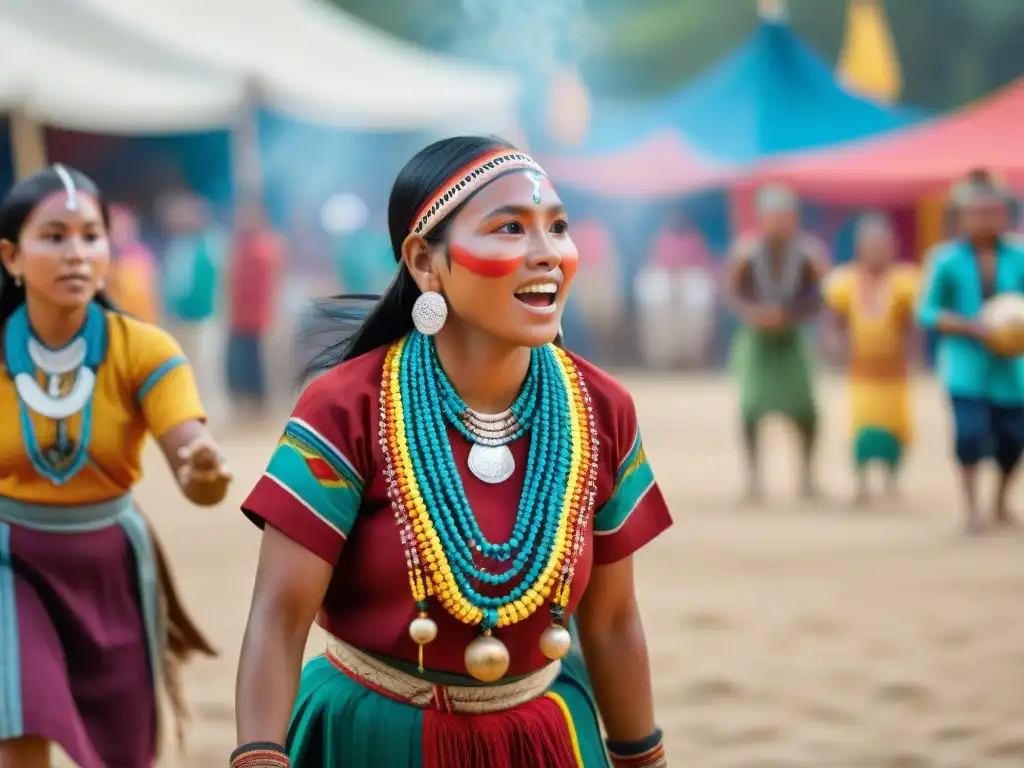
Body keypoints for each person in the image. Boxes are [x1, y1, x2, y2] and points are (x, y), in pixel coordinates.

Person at [232, 137, 673, 768]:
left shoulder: (600, 409)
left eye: (558, 227)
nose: (548, 255)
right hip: (372, 740)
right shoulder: (348, 407)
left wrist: (641, 757)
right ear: (424, 262)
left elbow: (612, 621)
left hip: (546, 739)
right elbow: (278, 618)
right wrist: (259, 757)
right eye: (511, 229)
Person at [0, 165, 232, 768]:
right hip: (9, 560)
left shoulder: (145, 349)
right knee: (18, 719)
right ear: (11, 256)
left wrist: (203, 467)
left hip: (109, 562)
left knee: (126, 752)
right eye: (53, 236)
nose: (77, 252)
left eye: (91, 235)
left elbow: (195, 473)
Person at [917, 169, 1024, 534]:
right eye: (977, 213)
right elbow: (927, 311)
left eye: (992, 213)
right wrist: (971, 327)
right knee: (969, 435)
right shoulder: (945, 260)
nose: (985, 220)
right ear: (962, 218)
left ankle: (1000, 501)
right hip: (965, 367)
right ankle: (971, 507)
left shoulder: (1018, 256)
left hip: (1012, 371)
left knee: (1014, 439)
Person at [724, 184, 829, 501]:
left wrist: (789, 316)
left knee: (806, 410)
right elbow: (733, 292)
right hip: (757, 340)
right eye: (772, 216)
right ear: (761, 218)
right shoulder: (746, 253)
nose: (779, 222)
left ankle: (807, 477)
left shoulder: (809, 255)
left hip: (792, 338)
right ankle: (754, 479)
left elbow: (818, 296)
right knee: (751, 408)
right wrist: (756, 315)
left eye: (784, 216)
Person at [823, 214, 919, 503]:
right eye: (871, 246)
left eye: (882, 246)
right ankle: (862, 483)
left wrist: (912, 353)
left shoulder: (905, 281)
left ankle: (892, 480)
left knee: (896, 426)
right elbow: (835, 322)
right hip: (862, 370)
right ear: (860, 248)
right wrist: (835, 346)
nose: (877, 252)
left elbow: (911, 325)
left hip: (893, 370)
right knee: (861, 427)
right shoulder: (845, 282)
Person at [226, 197, 284, 419]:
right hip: (239, 318)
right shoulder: (239, 245)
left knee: (261, 367)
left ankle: (263, 409)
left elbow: (271, 279)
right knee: (240, 366)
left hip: (261, 318)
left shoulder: (268, 244)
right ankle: (244, 407)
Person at [106, 205, 161, 324]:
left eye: (124, 227)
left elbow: (146, 294)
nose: (119, 232)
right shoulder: (103, 259)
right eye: (115, 227)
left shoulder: (140, 256)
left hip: (139, 321)